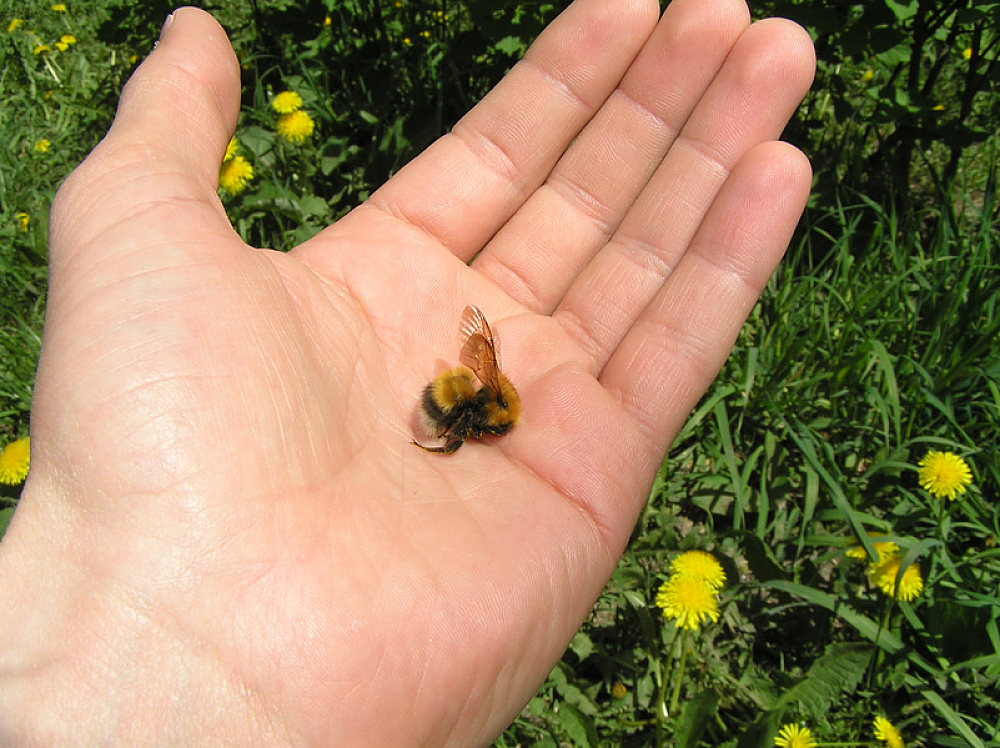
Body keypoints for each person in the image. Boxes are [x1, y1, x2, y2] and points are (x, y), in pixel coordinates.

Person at [0, 0, 814, 743]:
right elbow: (471, 393)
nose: (492, 428)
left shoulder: (492, 383)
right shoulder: (484, 410)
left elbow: (477, 354)